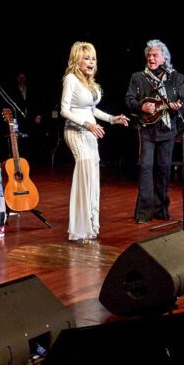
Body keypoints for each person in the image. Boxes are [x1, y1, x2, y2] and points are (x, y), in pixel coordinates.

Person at [59, 42, 128, 243]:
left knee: (92, 178)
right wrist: (88, 124)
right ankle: (79, 228)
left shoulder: (90, 82)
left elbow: (92, 110)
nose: (91, 62)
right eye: (86, 58)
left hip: (90, 132)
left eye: (93, 58)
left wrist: (112, 119)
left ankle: (89, 225)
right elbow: (65, 111)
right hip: (75, 131)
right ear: (77, 61)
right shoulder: (70, 79)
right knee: (84, 175)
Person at [125, 39, 184, 224]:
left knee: (163, 169)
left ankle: (161, 211)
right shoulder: (138, 77)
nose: (151, 58)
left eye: (155, 55)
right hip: (147, 130)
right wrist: (141, 107)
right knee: (145, 168)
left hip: (167, 131)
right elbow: (129, 100)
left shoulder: (176, 78)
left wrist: (178, 107)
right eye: (149, 56)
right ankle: (144, 213)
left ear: (164, 58)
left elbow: (183, 102)